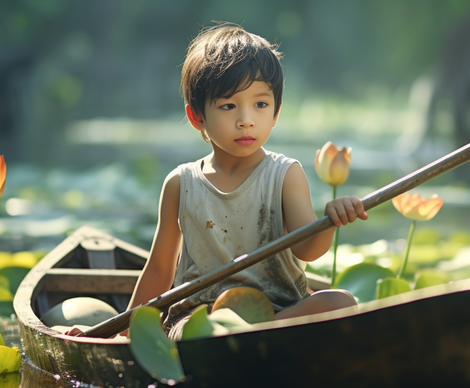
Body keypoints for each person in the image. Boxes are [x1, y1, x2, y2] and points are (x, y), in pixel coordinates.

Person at [125, 23, 366, 339]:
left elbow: (308, 249)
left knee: (340, 302)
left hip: (278, 315)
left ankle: (257, 336)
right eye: (228, 106)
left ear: (276, 112)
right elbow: (159, 270)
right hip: (201, 322)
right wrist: (126, 331)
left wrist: (332, 219)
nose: (246, 120)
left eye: (261, 104)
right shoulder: (180, 184)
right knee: (195, 334)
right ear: (197, 116)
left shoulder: (284, 174)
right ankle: (237, 341)